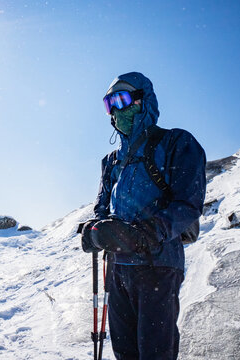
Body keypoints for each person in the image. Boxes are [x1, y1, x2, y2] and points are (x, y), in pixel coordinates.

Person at [80, 72, 206, 359]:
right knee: (124, 351)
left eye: (122, 99)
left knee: (154, 351)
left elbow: (188, 204)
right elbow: (102, 208)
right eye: (108, 104)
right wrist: (94, 231)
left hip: (157, 265)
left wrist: (144, 233)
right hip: (117, 268)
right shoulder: (111, 161)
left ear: (143, 101)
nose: (115, 110)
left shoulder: (176, 143)